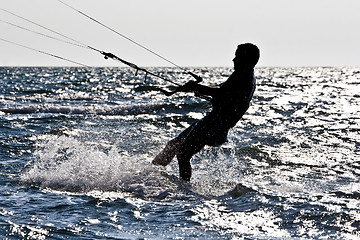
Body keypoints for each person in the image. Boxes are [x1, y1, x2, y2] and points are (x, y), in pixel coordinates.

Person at [152, 43, 260, 181]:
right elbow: (222, 89)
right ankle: (152, 173)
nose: (233, 60)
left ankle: (185, 191)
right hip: (214, 121)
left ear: (248, 60)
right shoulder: (243, 75)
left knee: (183, 154)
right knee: (174, 144)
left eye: (237, 56)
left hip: (216, 124)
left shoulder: (244, 76)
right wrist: (199, 88)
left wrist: (196, 87)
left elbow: (221, 93)